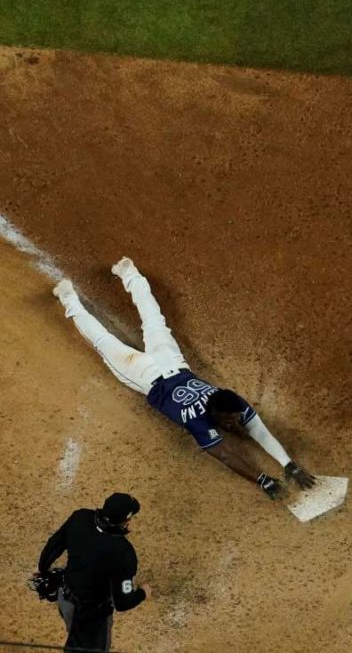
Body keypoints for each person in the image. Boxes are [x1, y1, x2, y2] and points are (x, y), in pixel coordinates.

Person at [52, 257, 317, 499]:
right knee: (105, 341)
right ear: (216, 413)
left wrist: (288, 464)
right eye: (231, 420)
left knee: (152, 319)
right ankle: (69, 297)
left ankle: (128, 272)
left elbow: (257, 428)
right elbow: (224, 453)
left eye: (235, 419)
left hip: (171, 362)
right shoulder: (198, 420)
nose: (236, 423)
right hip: (145, 374)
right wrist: (261, 480)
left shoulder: (230, 401)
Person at [36, 493, 148, 652]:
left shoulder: (80, 517)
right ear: (126, 522)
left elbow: (53, 546)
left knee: (73, 632)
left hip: (64, 598)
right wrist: (143, 592)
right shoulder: (124, 554)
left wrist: (42, 568)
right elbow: (123, 602)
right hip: (91, 617)